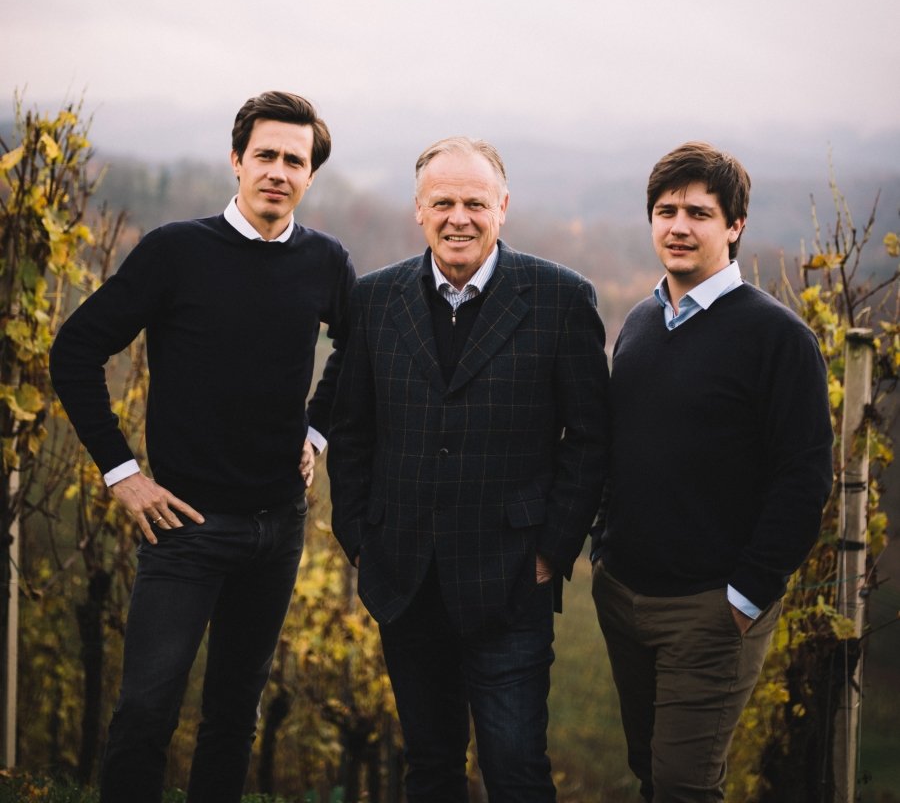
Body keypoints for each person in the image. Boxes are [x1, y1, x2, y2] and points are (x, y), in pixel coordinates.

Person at [50, 90, 356, 803]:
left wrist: (316, 430)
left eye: (295, 160)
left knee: (233, 720)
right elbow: (75, 352)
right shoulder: (175, 252)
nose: (279, 171)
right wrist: (122, 473)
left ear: (310, 175)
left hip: (279, 526)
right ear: (237, 160)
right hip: (184, 526)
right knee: (145, 715)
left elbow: (354, 350)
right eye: (266, 156)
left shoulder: (325, 261)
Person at [327, 136, 609, 803]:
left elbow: (591, 438)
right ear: (418, 211)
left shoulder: (562, 300)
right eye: (444, 202)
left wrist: (553, 548)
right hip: (405, 576)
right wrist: (360, 538)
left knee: (515, 769)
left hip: (511, 578)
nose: (460, 217)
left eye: (475, 202)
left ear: (502, 207)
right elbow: (351, 430)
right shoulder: (372, 300)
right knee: (429, 768)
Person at [591, 141, 834, 803]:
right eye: (666, 210)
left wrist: (747, 594)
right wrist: (602, 547)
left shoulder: (778, 338)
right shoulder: (641, 321)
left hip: (711, 609)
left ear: (735, 227)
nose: (678, 225)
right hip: (624, 596)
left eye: (699, 212)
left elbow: (804, 476)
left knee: (683, 785)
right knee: (649, 768)